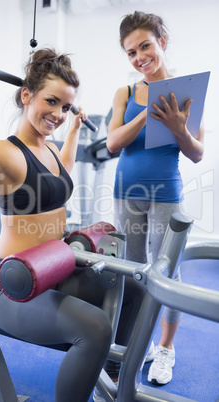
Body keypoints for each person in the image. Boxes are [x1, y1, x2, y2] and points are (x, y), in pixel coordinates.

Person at [0, 49, 112, 402]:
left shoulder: (50, 150)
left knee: (126, 291)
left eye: (66, 107)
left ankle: (107, 379)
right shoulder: (3, 153)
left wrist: (70, 132)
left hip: (52, 269)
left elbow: (62, 173)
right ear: (27, 95)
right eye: (51, 101)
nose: (57, 114)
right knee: (96, 328)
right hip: (12, 286)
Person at [100, 10, 204, 395]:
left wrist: (179, 129)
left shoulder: (188, 90)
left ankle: (165, 348)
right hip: (125, 191)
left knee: (166, 273)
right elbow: (112, 144)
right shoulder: (125, 93)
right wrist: (146, 114)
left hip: (165, 192)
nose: (139, 56)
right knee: (129, 270)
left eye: (145, 45)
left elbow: (196, 154)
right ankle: (134, 342)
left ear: (162, 41)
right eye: (131, 52)